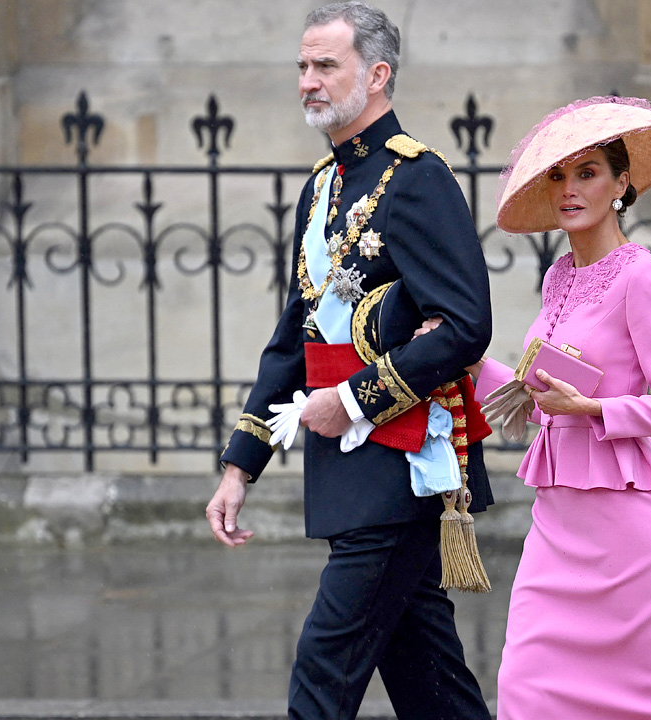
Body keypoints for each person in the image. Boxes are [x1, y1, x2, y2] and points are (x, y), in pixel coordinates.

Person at [204, 3, 494, 719]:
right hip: (347, 465)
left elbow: (465, 326)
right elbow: (293, 343)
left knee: (323, 668)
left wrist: (357, 399)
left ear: (377, 74)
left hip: (399, 463)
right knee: (428, 680)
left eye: (325, 65)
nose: (307, 80)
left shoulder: (418, 179)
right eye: (303, 66)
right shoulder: (322, 186)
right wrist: (240, 465)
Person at [476, 96, 651, 719]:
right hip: (557, 528)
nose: (569, 188)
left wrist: (593, 407)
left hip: (627, 534)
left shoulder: (645, 277)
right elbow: (542, 403)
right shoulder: (557, 277)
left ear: (622, 183)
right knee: (525, 690)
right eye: (558, 175)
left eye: (587, 173)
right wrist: (467, 361)